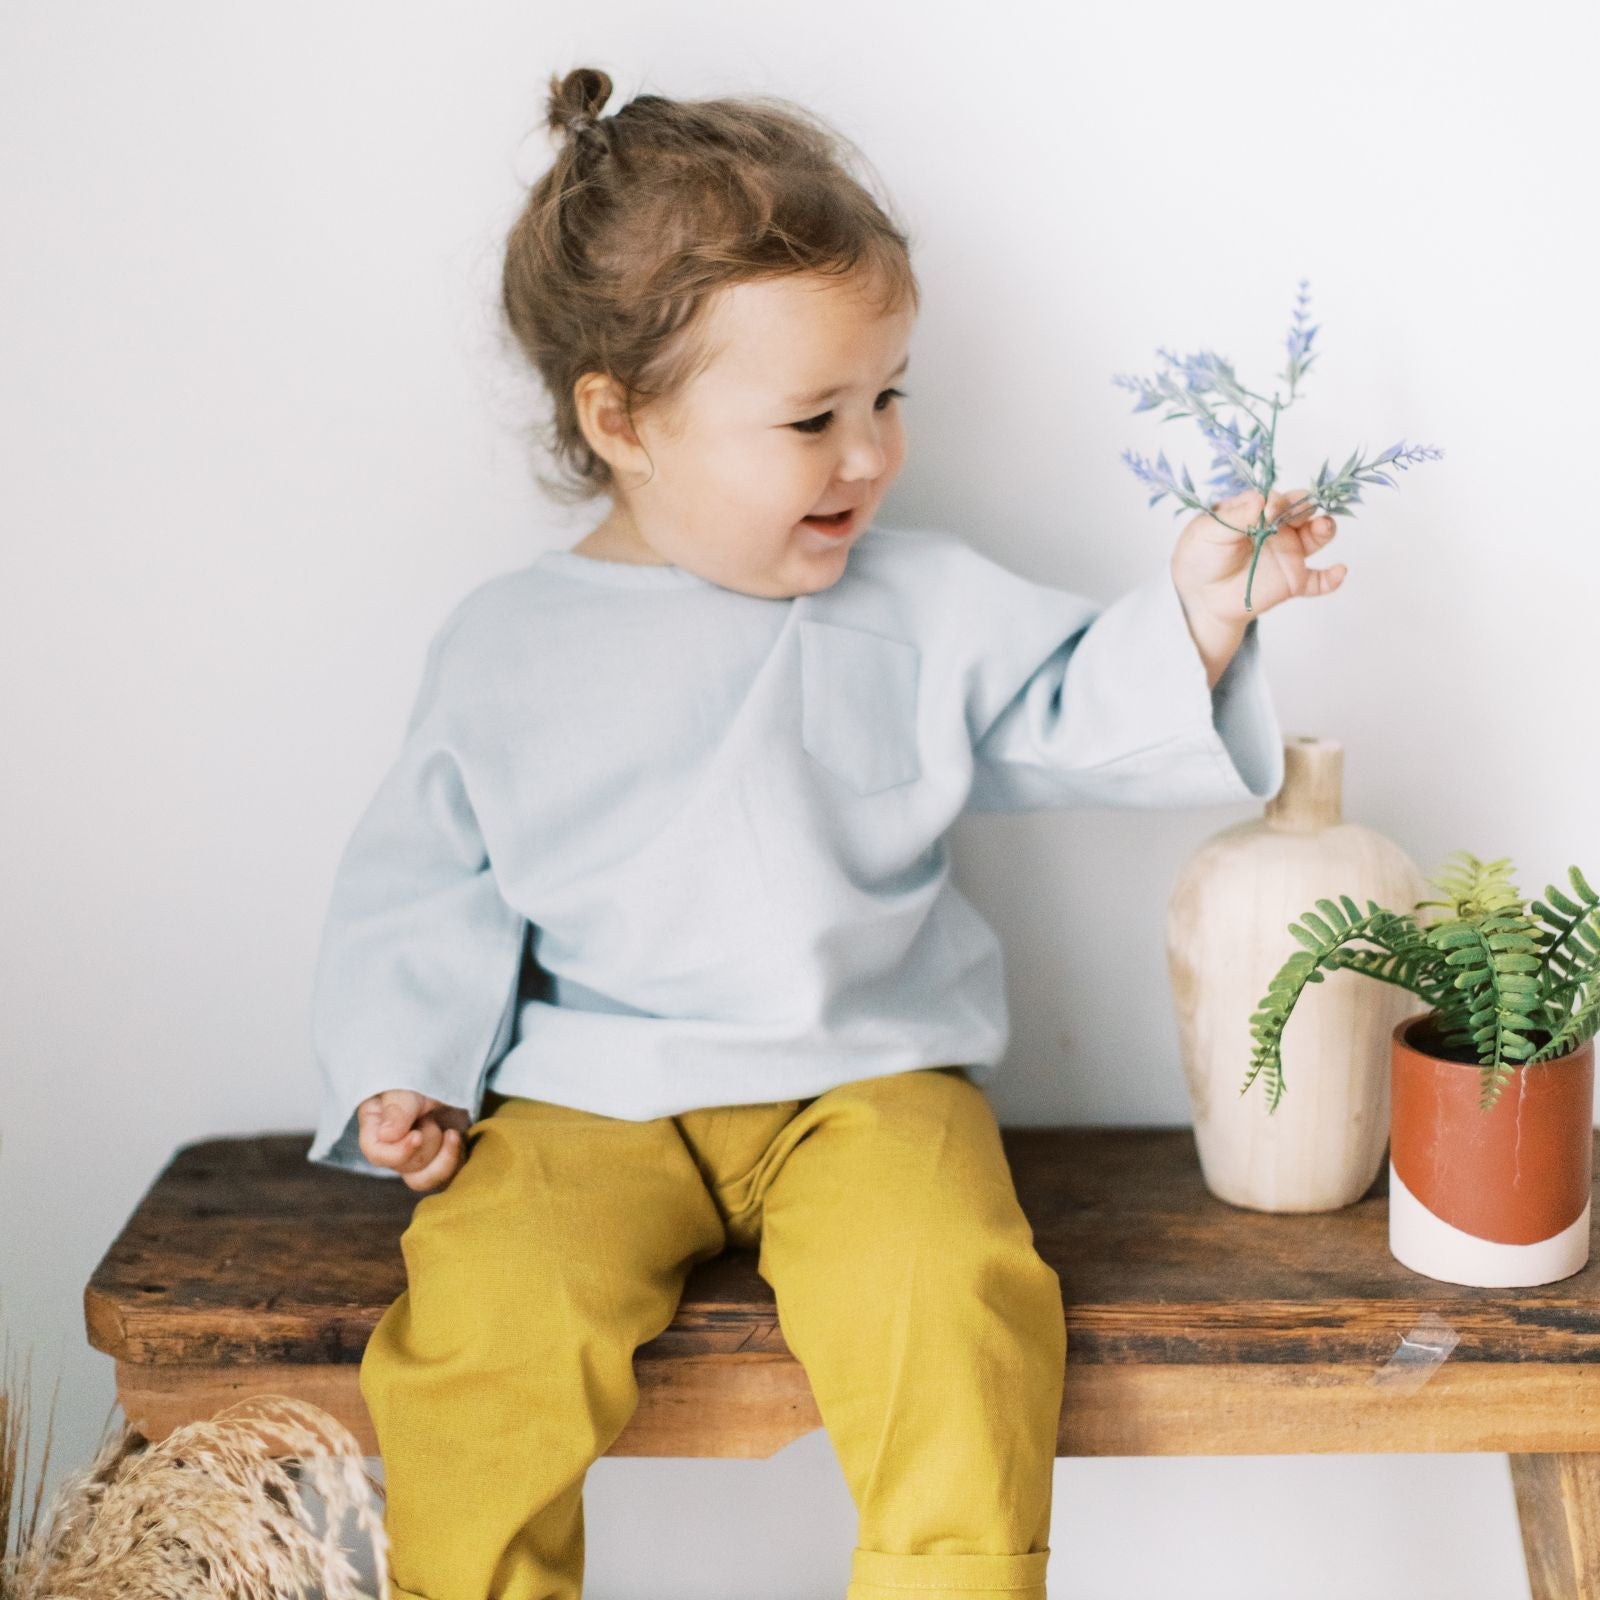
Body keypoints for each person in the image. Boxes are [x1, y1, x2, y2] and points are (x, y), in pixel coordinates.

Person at [306, 64, 1344, 1600]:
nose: (871, 453)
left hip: (867, 1082)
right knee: (482, 1326)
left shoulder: (919, 606)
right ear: (623, 420)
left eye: (887, 396)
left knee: (958, 1297)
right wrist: (404, 1074)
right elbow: (425, 886)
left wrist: (1193, 617)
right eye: (812, 417)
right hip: (591, 1088)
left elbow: (1067, 699)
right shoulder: (509, 647)